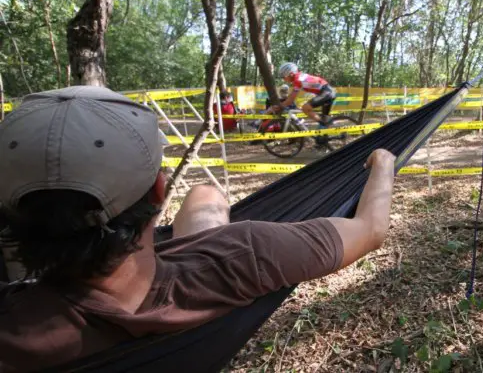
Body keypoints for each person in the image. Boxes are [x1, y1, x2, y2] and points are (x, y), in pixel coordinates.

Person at [0, 86, 396, 372]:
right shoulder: (246, 255)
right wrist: (383, 160)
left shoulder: (15, 333)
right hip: (205, 276)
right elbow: (369, 228)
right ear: (159, 190)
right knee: (207, 198)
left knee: (206, 194)